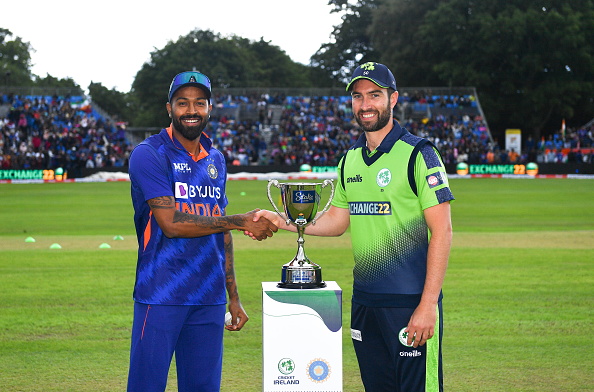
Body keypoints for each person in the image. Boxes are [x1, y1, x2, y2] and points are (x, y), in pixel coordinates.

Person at [255, 62, 454, 391]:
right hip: (365, 302)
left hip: (409, 304)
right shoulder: (350, 160)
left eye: (375, 95)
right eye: (358, 97)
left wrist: (427, 304)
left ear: (393, 99)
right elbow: (336, 221)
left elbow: (442, 232)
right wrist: (283, 219)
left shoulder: (420, 153)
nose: (365, 104)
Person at [126, 70, 278, 392]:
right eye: (183, 103)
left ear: (210, 108)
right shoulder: (149, 154)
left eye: (199, 103)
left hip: (209, 298)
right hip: (161, 294)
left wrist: (232, 297)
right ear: (169, 108)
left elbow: (219, 228)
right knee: (146, 386)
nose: (191, 111)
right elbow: (171, 223)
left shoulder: (216, 160)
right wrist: (239, 220)